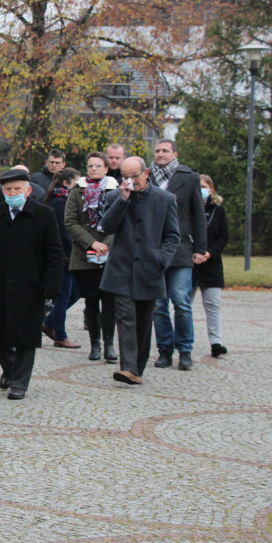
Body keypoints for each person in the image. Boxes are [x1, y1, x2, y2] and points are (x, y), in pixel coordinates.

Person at [0, 169, 64, 400]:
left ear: (28, 191)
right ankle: (10, 370)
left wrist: (52, 284)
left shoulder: (44, 215)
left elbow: (54, 253)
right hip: (0, 284)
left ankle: (19, 381)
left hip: (32, 286)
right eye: (8, 189)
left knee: (26, 336)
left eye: (17, 189)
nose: (12, 193)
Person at [100, 156, 179, 385]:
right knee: (125, 318)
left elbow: (173, 235)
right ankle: (128, 368)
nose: (130, 181)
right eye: (125, 176)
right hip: (121, 269)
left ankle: (137, 369)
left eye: (134, 176)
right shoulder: (115, 197)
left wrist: (161, 259)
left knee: (144, 323)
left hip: (150, 269)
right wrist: (122, 201)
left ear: (145, 173)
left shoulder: (165, 199)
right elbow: (106, 226)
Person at [149, 138, 206, 370]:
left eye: (165, 151)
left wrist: (200, 248)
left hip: (181, 248)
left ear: (175, 154)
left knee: (181, 301)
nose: (160, 154)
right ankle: (164, 350)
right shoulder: (146, 177)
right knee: (158, 306)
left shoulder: (189, 177)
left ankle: (185, 351)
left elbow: (198, 215)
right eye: (157, 151)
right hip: (153, 250)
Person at [65, 152, 120, 361]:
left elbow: (120, 220)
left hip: (110, 254)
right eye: (90, 166)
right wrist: (92, 243)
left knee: (109, 301)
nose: (94, 169)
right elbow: (70, 221)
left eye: (98, 166)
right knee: (91, 301)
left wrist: (105, 244)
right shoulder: (77, 191)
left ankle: (109, 345)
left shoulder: (116, 190)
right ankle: (95, 344)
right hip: (84, 254)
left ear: (106, 168)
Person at [41, 168, 82, 348]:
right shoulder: (59, 202)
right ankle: (60, 334)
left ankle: (49, 323)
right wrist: (73, 252)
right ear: (66, 183)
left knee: (74, 293)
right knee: (64, 296)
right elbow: (63, 232)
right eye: (77, 182)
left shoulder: (64, 200)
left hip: (67, 256)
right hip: (64, 257)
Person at [192, 174, 229, 358]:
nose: (201, 189)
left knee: (212, 304)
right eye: (198, 186)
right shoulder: (188, 209)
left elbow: (224, 236)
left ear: (211, 189)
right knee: (184, 304)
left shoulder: (218, 210)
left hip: (212, 264)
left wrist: (209, 253)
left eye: (204, 186)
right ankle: (183, 341)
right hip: (190, 263)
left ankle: (216, 342)